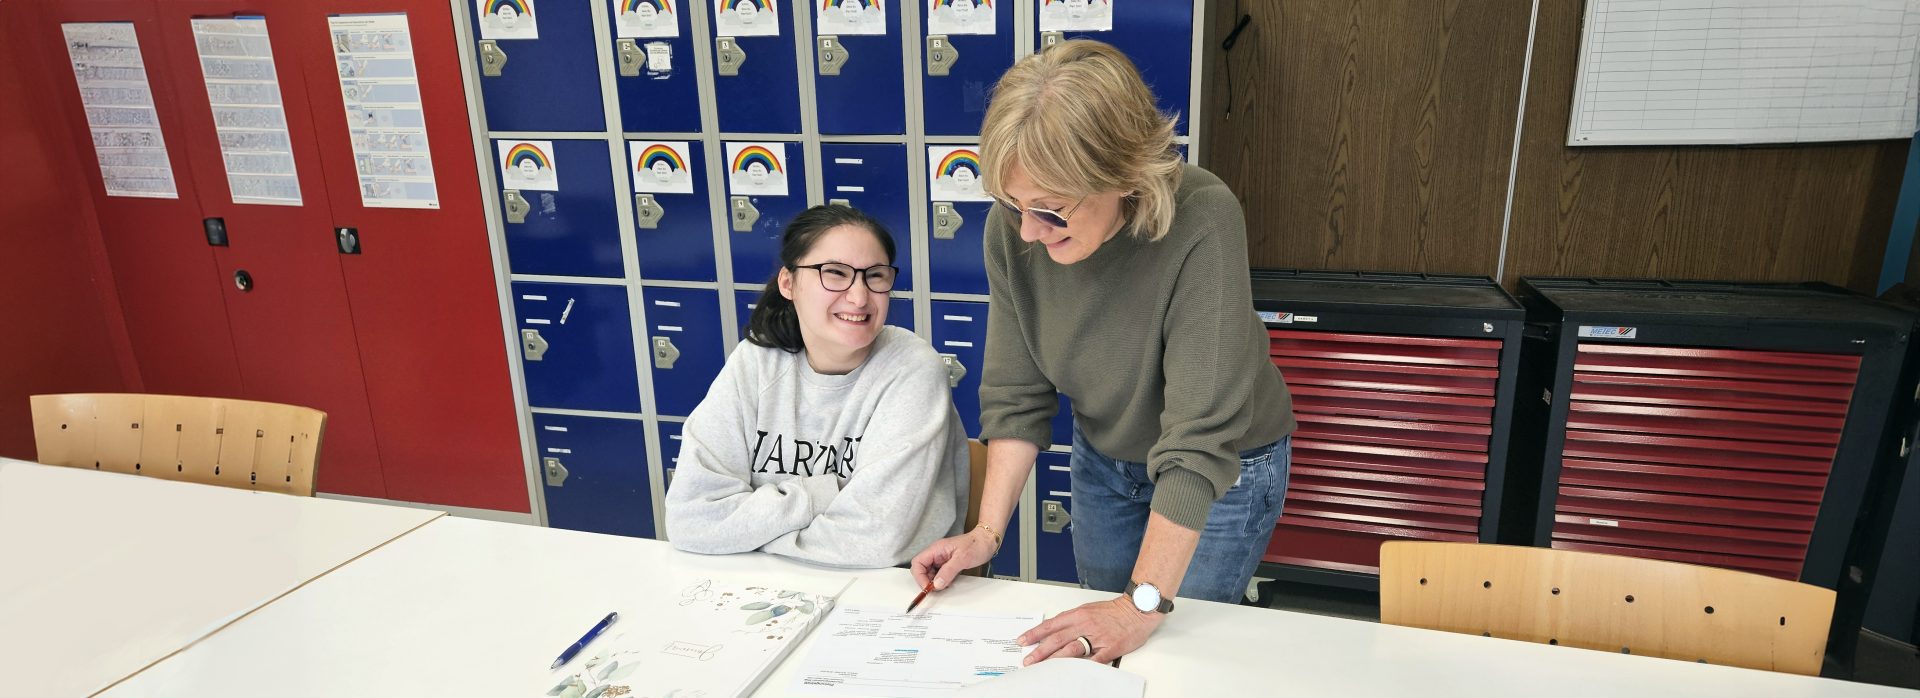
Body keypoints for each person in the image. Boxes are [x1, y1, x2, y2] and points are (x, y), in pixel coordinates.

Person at [910, 40, 1296, 663]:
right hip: (1106, 457)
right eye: (1013, 204)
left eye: (1050, 210)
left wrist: (1140, 603)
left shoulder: (1202, 217)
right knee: (1100, 649)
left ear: (1122, 175)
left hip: (1223, 466)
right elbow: (1016, 394)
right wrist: (985, 533)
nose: (1028, 230)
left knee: (1170, 649)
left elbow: (1200, 439)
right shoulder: (1014, 229)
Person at [665, 205, 969, 568]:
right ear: (788, 283)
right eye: (835, 274)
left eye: (875, 276)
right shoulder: (755, 362)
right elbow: (690, 519)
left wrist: (747, 532)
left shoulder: (912, 369)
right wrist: (823, 493)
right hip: (766, 586)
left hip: (887, 596)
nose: (859, 297)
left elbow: (875, 543)